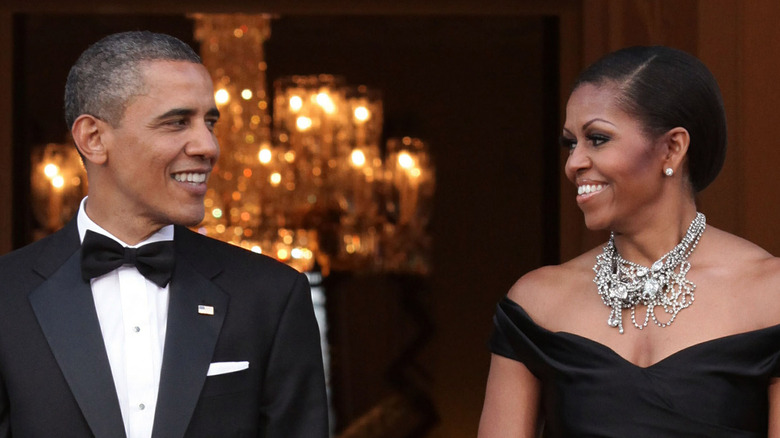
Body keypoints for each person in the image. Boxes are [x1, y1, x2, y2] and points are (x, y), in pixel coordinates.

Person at [0, 31, 328, 437]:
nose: (208, 146)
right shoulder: (5, 296)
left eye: (209, 123)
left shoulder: (272, 296)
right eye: (177, 122)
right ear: (94, 139)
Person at [478, 46, 780, 437]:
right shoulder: (537, 304)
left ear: (672, 147)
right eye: (570, 143)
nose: (573, 163)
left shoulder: (769, 295)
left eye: (597, 139)